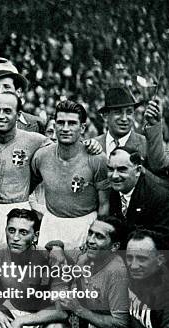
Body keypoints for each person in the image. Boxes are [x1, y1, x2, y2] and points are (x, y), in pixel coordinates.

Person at [57, 216, 129, 328]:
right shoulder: (83, 261)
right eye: (90, 233)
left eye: (99, 236)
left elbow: (121, 325)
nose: (90, 240)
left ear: (114, 246)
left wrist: (79, 310)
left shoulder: (117, 272)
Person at [0, 92, 49, 249]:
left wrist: (90, 145)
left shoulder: (34, 140)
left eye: (7, 111)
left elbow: (61, 149)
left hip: (18, 210)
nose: (1, 116)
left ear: (18, 114)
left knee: (16, 266)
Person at [31, 100, 110, 249]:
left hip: (84, 225)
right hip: (51, 224)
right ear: (54, 126)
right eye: (61, 123)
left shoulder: (97, 159)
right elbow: (29, 187)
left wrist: (96, 235)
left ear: (82, 127)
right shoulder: (41, 156)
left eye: (72, 123)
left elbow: (104, 204)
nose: (65, 128)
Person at [108, 146, 169, 248]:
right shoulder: (110, 191)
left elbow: (165, 240)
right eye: (110, 169)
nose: (114, 176)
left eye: (122, 170)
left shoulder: (159, 197)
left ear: (138, 170)